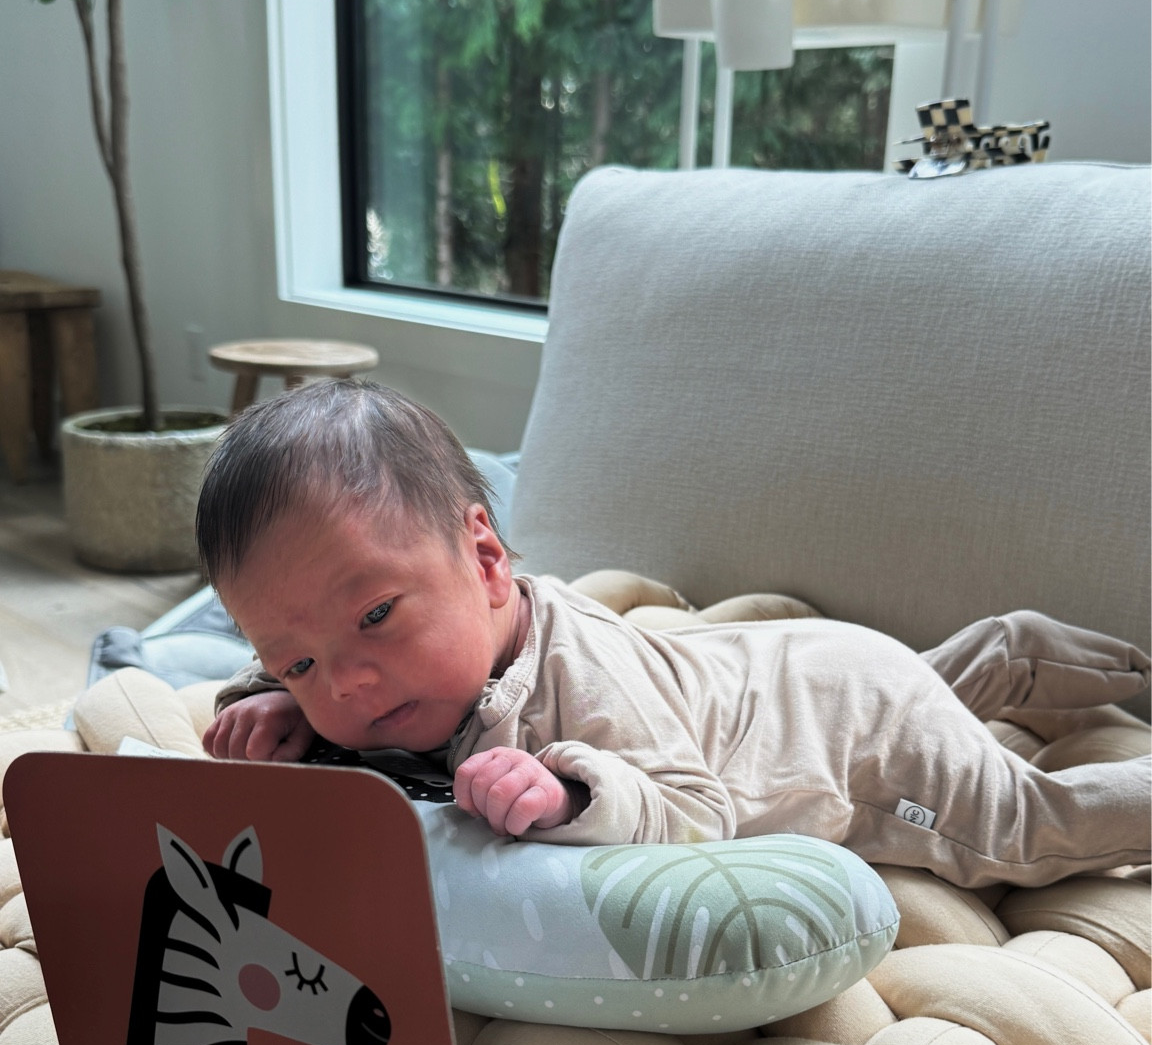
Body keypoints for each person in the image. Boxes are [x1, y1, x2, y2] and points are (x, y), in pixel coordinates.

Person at [196, 379, 1151, 890]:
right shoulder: (369, 675)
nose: (348, 686)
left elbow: (699, 815)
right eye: (301, 660)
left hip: (849, 725)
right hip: (780, 666)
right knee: (919, 675)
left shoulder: (581, 675)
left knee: (1021, 837)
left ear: (487, 562)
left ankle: (1030, 690)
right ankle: (1000, 655)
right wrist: (268, 703)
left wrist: (572, 793)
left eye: (374, 617)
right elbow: (308, 669)